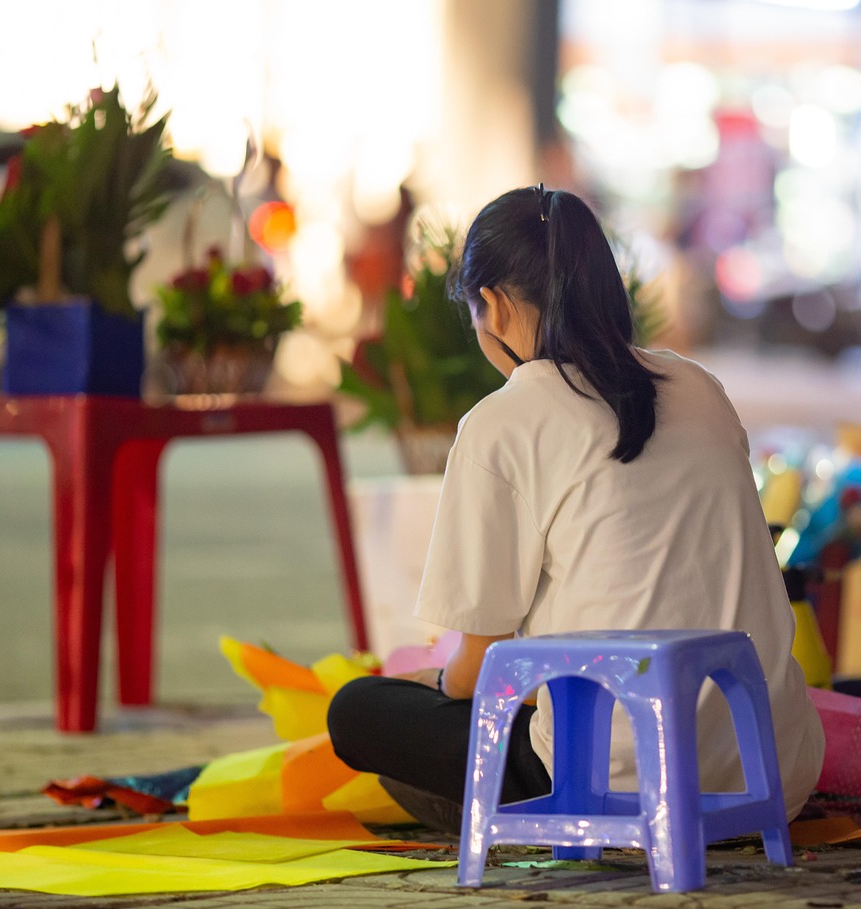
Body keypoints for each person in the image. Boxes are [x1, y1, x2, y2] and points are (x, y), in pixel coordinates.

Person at [327, 185, 825, 833]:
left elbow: (478, 672)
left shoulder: (502, 422)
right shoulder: (700, 387)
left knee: (358, 711)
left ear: (493, 306)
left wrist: (435, 682)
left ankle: (524, 815)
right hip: (772, 769)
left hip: (613, 777)